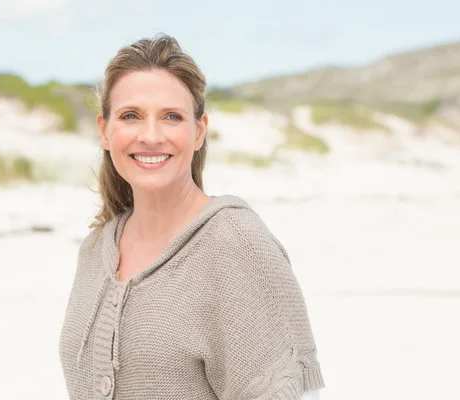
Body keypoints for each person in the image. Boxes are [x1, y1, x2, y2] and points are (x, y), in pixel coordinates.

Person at [59, 33, 325, 400]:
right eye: (131, 115)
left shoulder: (235, 243)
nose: (150, 136)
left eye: (171, 116)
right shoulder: (94, 249)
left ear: (198, 131)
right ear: (105, 130)